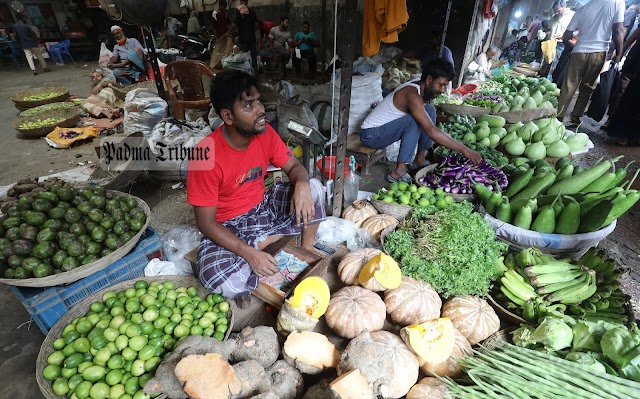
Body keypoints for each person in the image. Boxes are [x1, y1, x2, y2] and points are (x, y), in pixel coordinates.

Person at [186, 69, 326, 303]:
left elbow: (294, 167)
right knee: (218, 279)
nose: (261, 110)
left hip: (263, 210)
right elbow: (205, 223)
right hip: (228, 227)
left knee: (314, 188)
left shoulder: (265, 133)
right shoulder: (204, 155)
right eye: (248, 106)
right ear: (228, 117)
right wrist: (250, 254)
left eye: (258, 101)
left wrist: (301, 183)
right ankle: (262, 245)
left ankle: (306, 250)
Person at [359, 59, 482, 183]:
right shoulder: (412, 95)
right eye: (441, 84)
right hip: (371, 135)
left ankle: (420, 159)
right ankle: (398, 171)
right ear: (429, 80)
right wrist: (465, 150)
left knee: (429, 109)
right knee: (414, 120)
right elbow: (432, 131)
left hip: (381, 131)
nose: (443, 90)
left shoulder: (420, 87)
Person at [556, 0, 625, 127]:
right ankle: (575, 117)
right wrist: (619, 53)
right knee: (587, 86)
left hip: (578, 51)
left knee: (569, 85)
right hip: (598, 52)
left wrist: (569, 44)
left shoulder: (583, 8)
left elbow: (567, 34)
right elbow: (618, 30)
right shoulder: (617, 3)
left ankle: (559, 116)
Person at [606, 25, 640, 144]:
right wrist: (621, 51)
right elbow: (634, 35)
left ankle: (631, 136)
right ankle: (624, 134)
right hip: (636, 65)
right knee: (631, 98)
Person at [547, 1, 575, 77]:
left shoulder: (572, 15)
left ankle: (551, 83)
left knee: (556, 67)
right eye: (555, 11)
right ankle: (544, 80)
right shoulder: (554, 17)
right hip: (551, 44)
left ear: (564, 6)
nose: (557, 13)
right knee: (548, 64)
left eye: (558, 11)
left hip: (563, 45)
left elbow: (575, 32)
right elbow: (549, 30)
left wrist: (563, 36)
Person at [234, 0, 259, 75]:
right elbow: (257, 25)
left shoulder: (239, 11)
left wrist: (228, 32)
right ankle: (254, 76)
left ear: (241, 1)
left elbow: (235, 23)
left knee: (245, 59)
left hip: (244, 40)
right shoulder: (252, 12)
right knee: (253, 59)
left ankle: (247, 77)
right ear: (247, 2)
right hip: (252, 39)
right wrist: (251, 31)